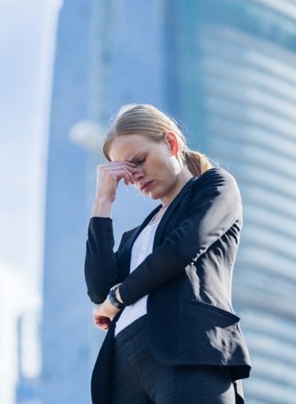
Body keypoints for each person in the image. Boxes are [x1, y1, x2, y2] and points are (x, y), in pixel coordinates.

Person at [85, 104, 251, 403]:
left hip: (186, 348)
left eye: (139, 160)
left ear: (171, 143)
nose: (135, 177)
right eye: (126, 173)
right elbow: (98, 290)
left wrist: (118, 298)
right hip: (123, 364)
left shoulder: (215, 187)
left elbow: (181, 248)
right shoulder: (134, 237)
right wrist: (103, 202)